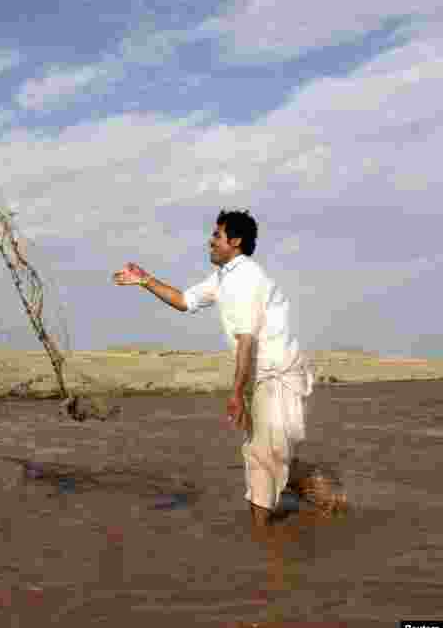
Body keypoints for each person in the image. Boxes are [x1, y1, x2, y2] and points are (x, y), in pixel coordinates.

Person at [112, 209, 314, 530]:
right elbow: (184, 301)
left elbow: (247, 339)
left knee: (263, 451)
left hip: (277, 373)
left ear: (235, 241)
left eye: (217, 235)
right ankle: (314, 489)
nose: (211, 241)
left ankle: (261, 537)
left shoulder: (247, 278)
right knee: (266, 448)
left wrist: (235, 392)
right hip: (257, 374)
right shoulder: (223, 277)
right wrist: (146, 280)